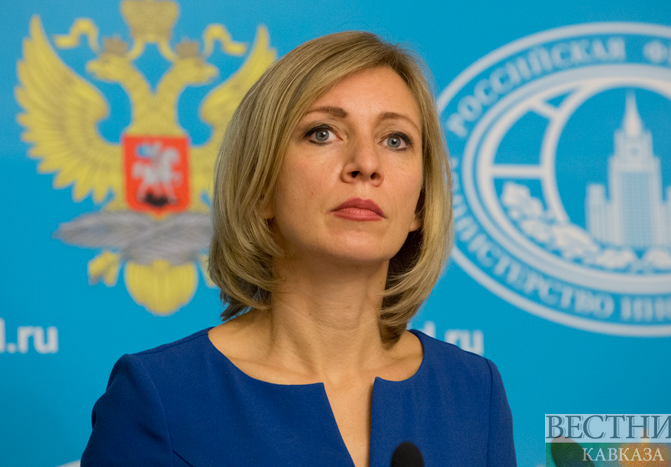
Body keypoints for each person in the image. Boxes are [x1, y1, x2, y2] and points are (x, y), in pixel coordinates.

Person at [81, 31, 516, 466]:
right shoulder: (161, 397)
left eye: (395, 140)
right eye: (323, 133)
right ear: (260, 186)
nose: (366, 164)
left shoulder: (475, 392)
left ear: (419, 204)